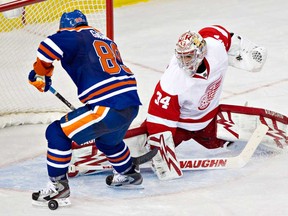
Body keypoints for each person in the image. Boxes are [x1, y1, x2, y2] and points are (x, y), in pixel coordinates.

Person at [28, 10, 142, 207]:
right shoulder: (104, 39)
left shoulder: (74, 34)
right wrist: (43, 75)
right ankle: (127, 172)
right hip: (130, 104)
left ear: (66, 28)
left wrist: (41, 72)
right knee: (108, 141)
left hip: (108, 107)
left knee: (56, 133)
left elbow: (47, 46)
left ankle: (58, 187)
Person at [145, 25, 267, 180]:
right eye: (180, 57)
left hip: (209, 119)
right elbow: (159, 121)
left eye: (188, 56)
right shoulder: (172, 81)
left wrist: (251, 51)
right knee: (146, 146)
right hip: (180, 126)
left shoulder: (216, 49)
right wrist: (160, 154)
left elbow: (221, 34)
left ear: (201, 52)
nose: (184, 62)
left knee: (224, 144)